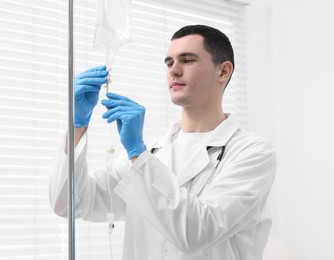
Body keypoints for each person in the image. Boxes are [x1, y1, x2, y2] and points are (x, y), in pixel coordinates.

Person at [49, 24, 276, 260]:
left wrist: (137, 152)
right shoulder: (153, 152)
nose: (174, 71)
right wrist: (77, 124)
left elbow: (195, 233)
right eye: (169, 63)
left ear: (223, 72)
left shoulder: (253, 154)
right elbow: (68, 203)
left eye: (187, 60)